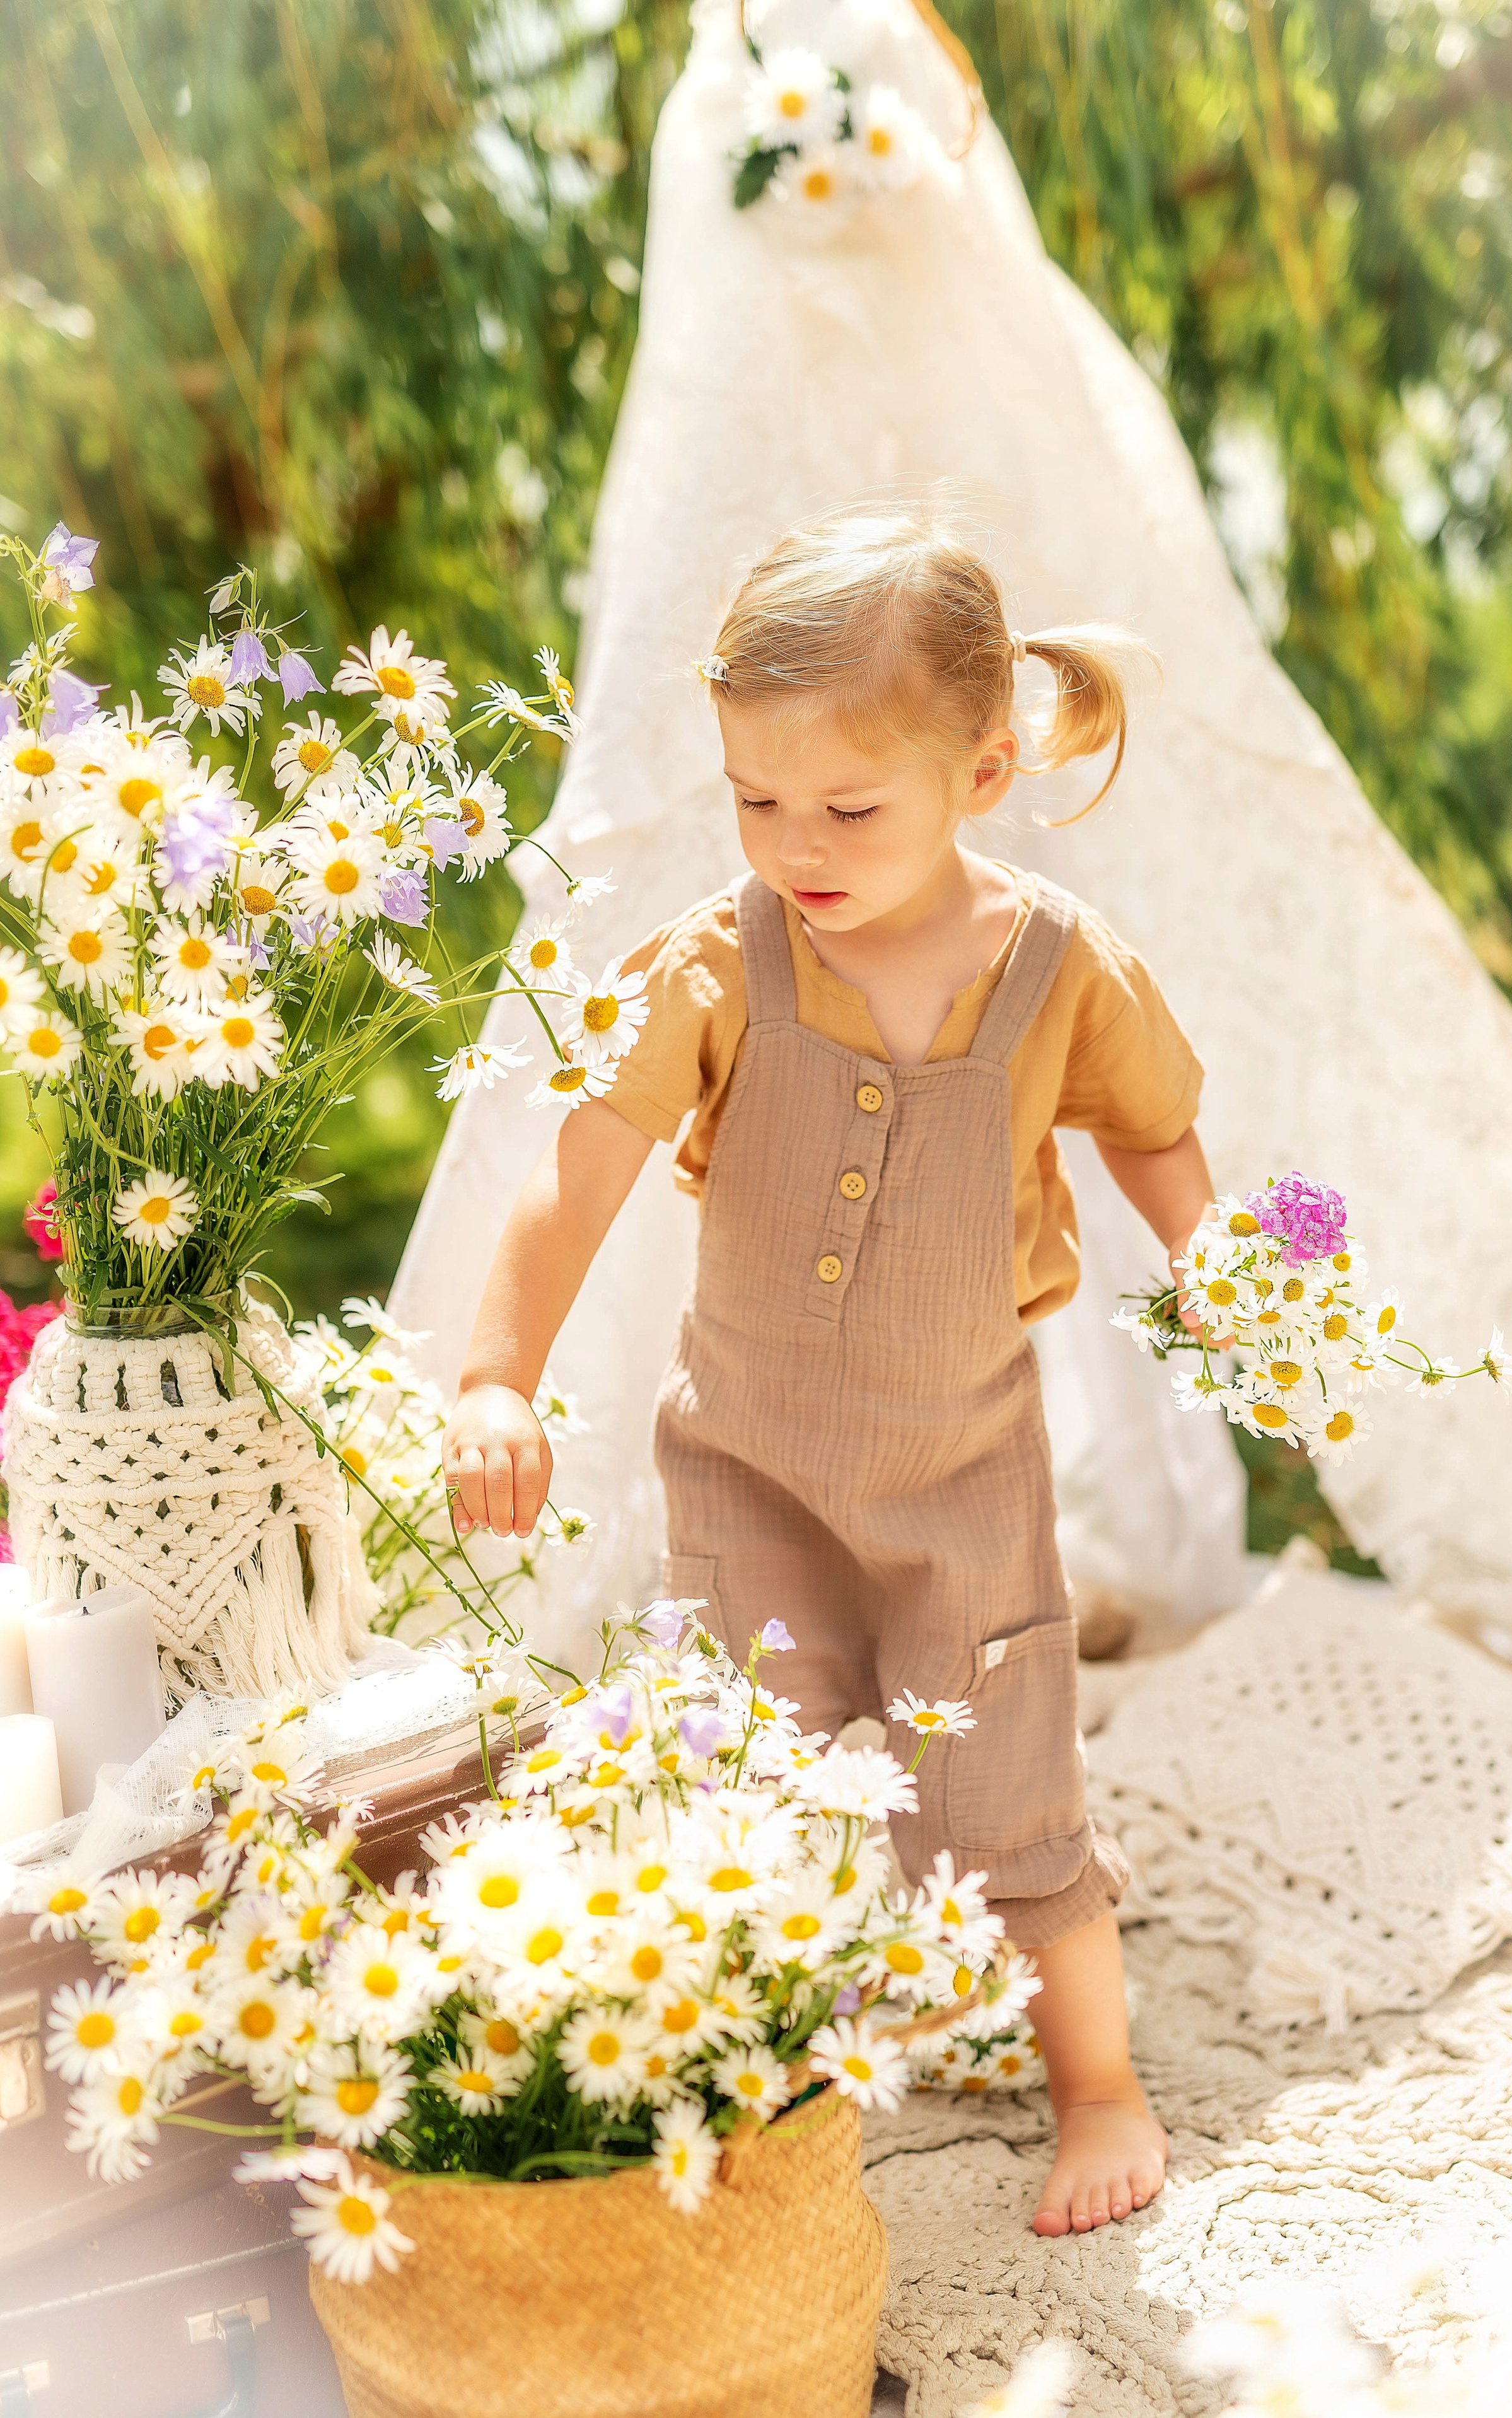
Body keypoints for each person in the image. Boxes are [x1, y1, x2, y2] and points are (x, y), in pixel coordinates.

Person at [443, 508, 1215, 2237]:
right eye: (754, 797)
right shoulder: (723, 962)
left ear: (984, 770)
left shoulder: (1054, 966)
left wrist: (1219, 1261)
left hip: (963, 1484)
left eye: (848, 806)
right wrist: (499, 1377)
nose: (795, 843)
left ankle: (1098, 2081)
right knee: (746, 1794)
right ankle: (757, 2081)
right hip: (752, 1475)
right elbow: (575, 1178)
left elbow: (1159, 1134)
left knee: (1012, 1802)